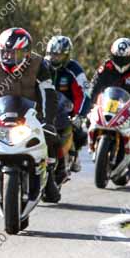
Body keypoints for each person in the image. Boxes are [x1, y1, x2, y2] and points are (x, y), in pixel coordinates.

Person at [0, 27, 59, 202]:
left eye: (13, 53)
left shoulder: (39, 66)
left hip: (31, 116)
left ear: (26, 53)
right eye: (4, 52)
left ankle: (50, 179)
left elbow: (49, 94)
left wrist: (48, 121)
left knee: (52, 136)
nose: (8, 57)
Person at [91, 38, 130, 170]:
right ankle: (94, 143)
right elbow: (94, 85)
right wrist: (91, 102)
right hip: (107, 105)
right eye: (117, 57)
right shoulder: (105, 67)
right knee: (89, 119)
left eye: (124, 58)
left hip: (129, 107)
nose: (120, 62)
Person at [45, 35, 91, 172]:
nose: (54, 58)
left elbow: (84, 93)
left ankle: (74, 154)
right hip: (44, 109)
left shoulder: (74, 69)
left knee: (80, 134)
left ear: (66, 56)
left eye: (58, 55)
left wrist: (79, 115)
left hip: (66, 111)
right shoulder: (41, 66)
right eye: (52, 54)